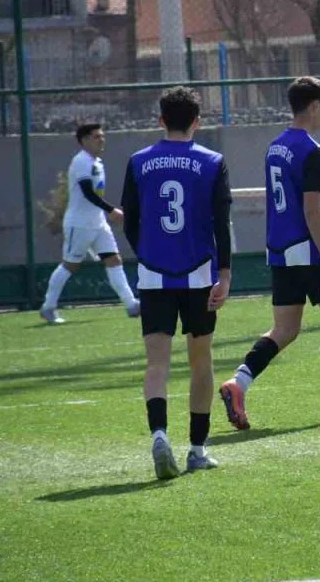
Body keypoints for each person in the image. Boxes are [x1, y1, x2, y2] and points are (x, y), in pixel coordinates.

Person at [218, 77, 320, 430]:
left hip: (279, 251)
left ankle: (238, 382)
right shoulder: (313, 151)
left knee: (285, 329)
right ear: (314, 106)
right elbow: (312, 210)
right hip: (309, 250)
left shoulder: (275, 146)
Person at [121, 86, 231, 479]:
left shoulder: (138, 162)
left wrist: (148, 252)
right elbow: (221, 224)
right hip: (199, 273)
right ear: (197, 122)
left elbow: (130, 221)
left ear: (161, 120)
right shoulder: (212, 162)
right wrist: (225, 273)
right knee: (201, 362)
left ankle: (159, 434)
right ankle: (197, 450)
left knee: (157, 363)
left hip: (154, 274)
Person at [40, 123, 140, 324]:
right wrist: (111, 210)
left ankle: (131, 305)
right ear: (84, 141)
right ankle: (48, 307)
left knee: (114, 260)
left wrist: (106, 214)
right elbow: (87, 192)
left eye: (102, 136)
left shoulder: (97, 162)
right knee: (70, 265)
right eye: (96, 137)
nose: (101, 140)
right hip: (79, 224)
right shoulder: (81, 161)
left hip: (98, 224)